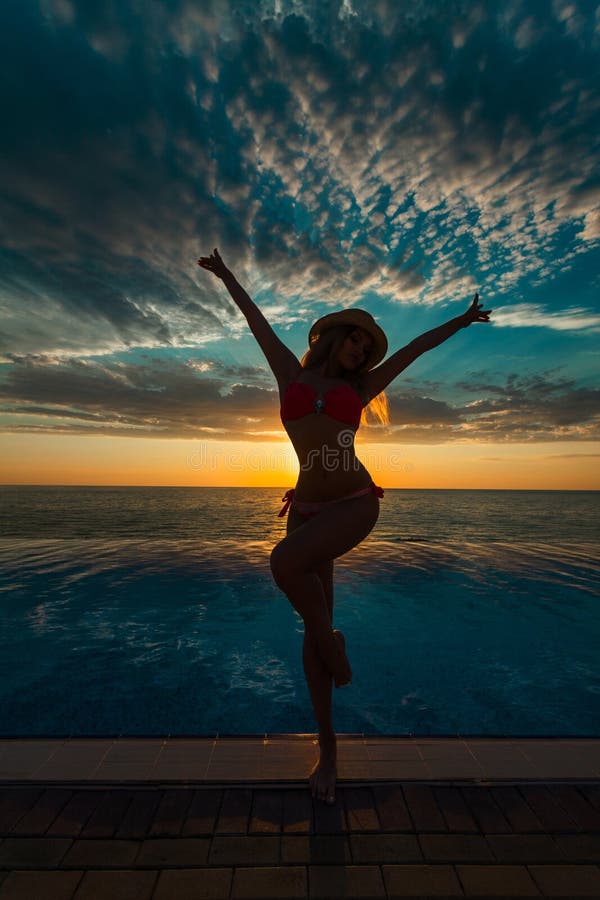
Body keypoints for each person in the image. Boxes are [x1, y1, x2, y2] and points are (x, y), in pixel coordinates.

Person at [197, 247, 491, 804]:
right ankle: (327, 747)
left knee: (284, 565)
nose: (362, 351)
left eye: (367, 347)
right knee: (311, 632)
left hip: (355, 501)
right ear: (335, 339)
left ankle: (332, 640)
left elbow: (417, 348)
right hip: (306, 509)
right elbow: (254, 320)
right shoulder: (290, 372)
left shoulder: (360, 391)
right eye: (356, 340)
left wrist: (463, 318)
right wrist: (227, 274)